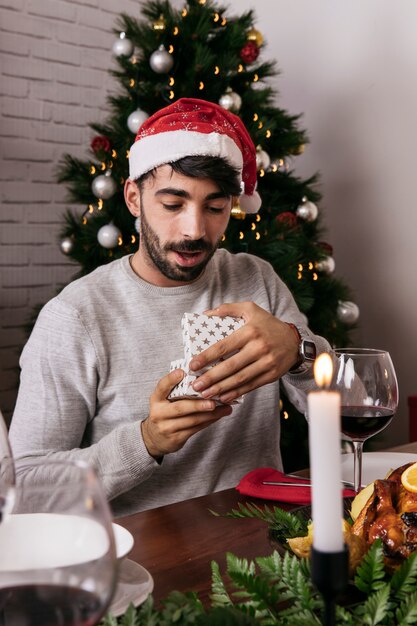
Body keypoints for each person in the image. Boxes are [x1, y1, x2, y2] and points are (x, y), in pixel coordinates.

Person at [10, 98, 331, 517]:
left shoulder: (256, 279)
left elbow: (353, 402)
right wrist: (146, 442)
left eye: (215, 208)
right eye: (173, 204)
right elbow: (24, 488)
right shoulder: (74, 318)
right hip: (141, 561)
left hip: (262, 548)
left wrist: (298, 351)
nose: (195, 230)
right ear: (133, 198)